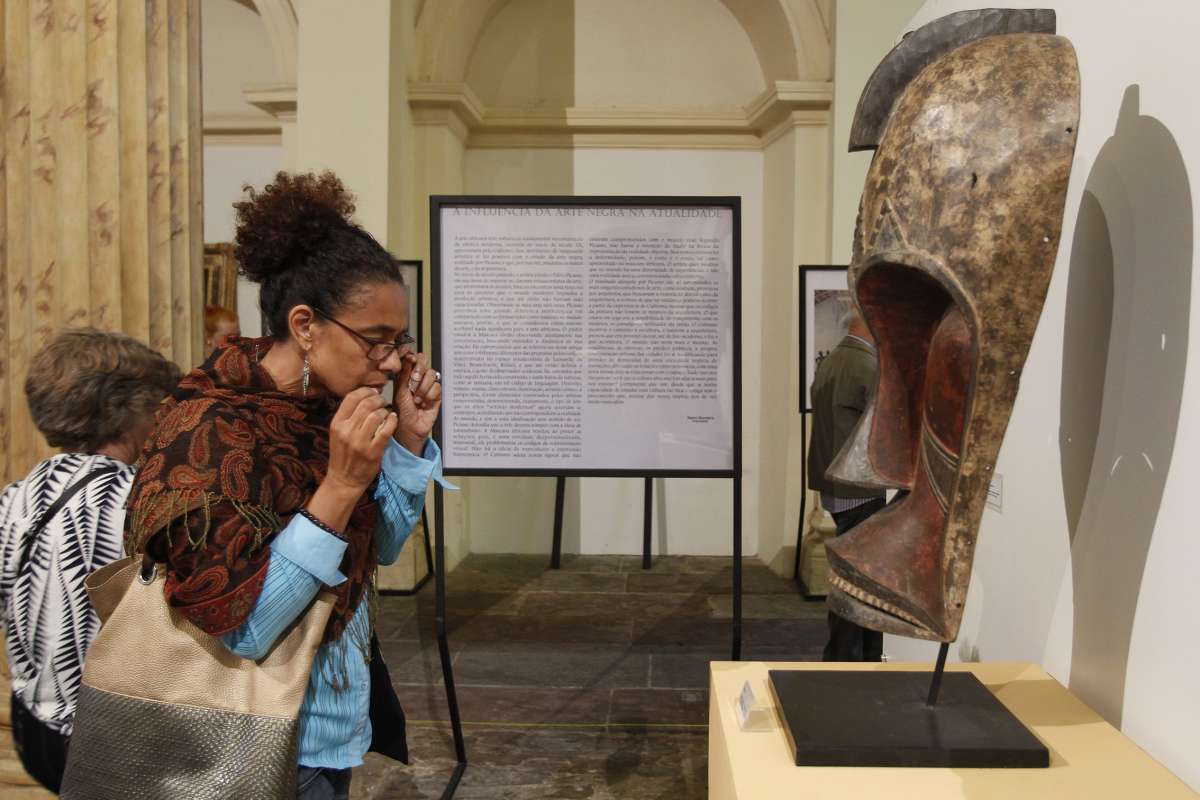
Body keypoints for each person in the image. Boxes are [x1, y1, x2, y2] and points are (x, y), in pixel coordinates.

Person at [122, 171, 448, 800]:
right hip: (251, 740)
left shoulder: (328, 408)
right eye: (375, 341)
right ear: (305, 325)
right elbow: (245, 628)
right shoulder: (210, 430)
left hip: (329, 723)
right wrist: (342, 482)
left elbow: (378, 549)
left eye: (399, 342)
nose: (391, 363)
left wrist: (407, 444)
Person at [0, 329, 181, 792]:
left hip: (35, 728)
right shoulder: (140, 502)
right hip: (112, 739)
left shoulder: (14, 500)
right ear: (129, 411)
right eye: (158, 407)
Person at [807, 308, 887, 661]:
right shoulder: (865, 367)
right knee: (858, 582)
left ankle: (856, 656)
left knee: (850, 576)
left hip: (835, 483)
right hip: (858, 487)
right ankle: (847, 659)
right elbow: (885, 429)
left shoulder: (832, 361)